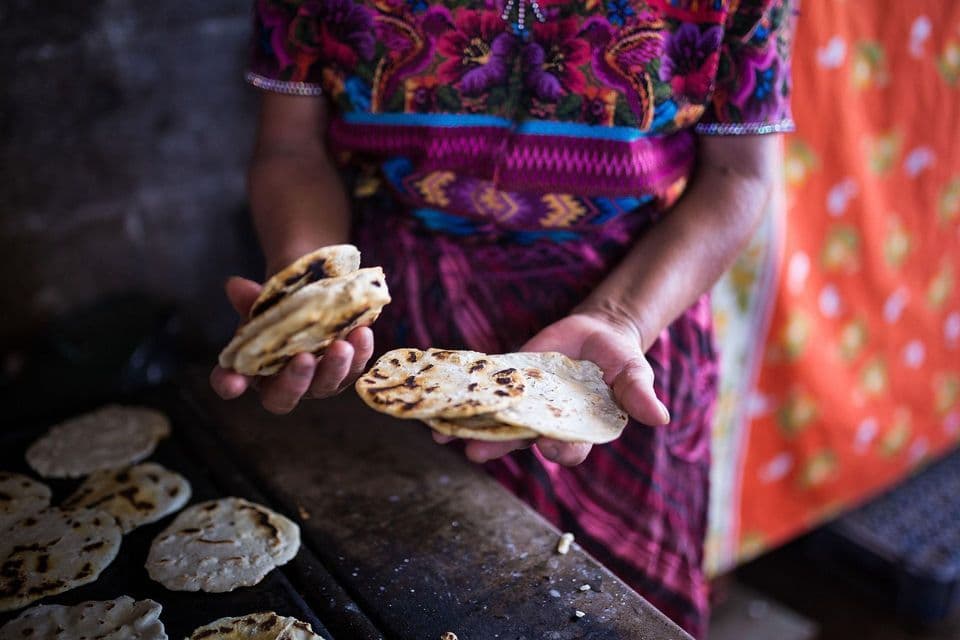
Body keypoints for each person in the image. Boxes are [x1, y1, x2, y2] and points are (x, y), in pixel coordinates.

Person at [211, 0, 796, 635]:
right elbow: (292, 148)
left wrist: (622, 315)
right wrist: (314, 296)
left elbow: (738, 174)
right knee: (412, 595)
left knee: (616, 613)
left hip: (630, 320)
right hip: (391, 318)